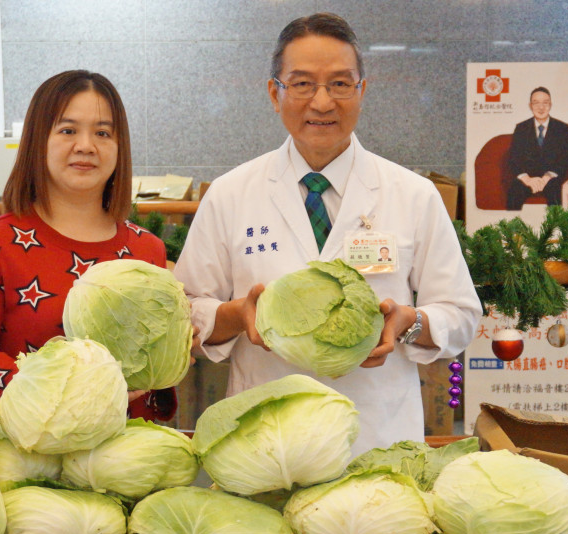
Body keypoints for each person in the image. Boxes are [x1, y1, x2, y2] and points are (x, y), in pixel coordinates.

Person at [173, 13, 481, 453]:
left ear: (362, 91)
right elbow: (188, 311)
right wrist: (238, 314)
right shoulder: (230, 194)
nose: (321, 102)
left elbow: (462, 314)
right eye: (301, 84)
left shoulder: (413, 195)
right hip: (265, 444)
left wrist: (407, 324)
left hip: (375, 442)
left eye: (340, 84)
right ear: (273, 93)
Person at [0, 70, 177, 421]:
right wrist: (57, 398)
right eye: (68, 130)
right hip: (27, 452)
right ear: (37, 141)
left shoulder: (147, 250)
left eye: (103, 133)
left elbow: (152, 370)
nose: (86, 146)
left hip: (123, 456)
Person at [506, 86, 568, 209]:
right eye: (536, 103)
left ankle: (557, 228)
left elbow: (565, 158)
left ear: (550, 105)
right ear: (530, 105)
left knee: (556, 190)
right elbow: (514, 158)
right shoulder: (521, 128)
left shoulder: (561, 128)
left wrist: (547, 177)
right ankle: (512, 227)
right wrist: (527, 179)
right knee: (514, 190)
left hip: (550, 179)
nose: (541, 107)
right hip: (528, 178)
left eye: (545, 103)